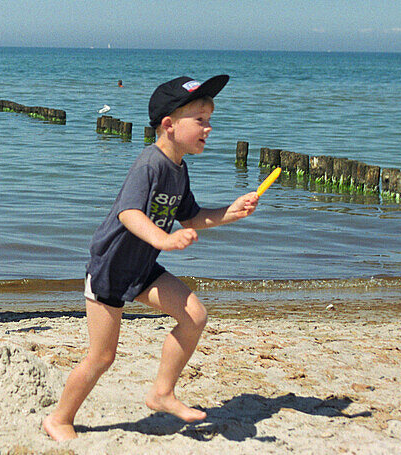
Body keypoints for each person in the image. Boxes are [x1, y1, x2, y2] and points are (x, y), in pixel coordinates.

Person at [42, 74, 260, 441]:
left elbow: (191, 217)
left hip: (142, 267)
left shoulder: (179, 168)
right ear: (169, 125)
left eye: (210, 119)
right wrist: (166, 239)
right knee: (102, 357)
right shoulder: (151, 163)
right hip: (111, 268)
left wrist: (231, 212)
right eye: (200, 120)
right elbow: (129, 213)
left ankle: (161, 392)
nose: (209, 128)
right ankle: (59, 418)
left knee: (194, 316)